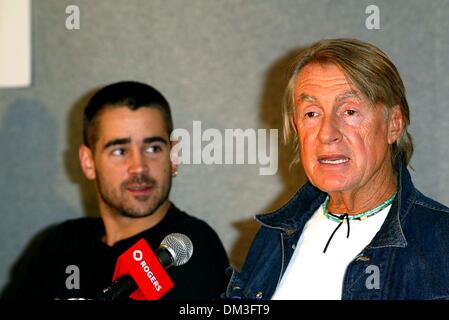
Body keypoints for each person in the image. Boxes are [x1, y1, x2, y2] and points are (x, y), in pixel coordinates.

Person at [225, 38, 449, 300]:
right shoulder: (273, 237)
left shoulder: (441, 242)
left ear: (394, 124)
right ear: (296, 129)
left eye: (349, 111)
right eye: (311, 114)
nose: (327, 134)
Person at [2, 81, 229, 300]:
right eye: (120, 151)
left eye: (153, 148)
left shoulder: (189, 248)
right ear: (88, 162)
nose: (139, 166)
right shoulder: (61, 243)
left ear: (173, 156)